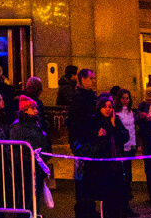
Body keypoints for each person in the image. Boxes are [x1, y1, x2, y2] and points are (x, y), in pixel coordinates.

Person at [80, 95, 130, 218]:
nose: (108, 109)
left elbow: (124, 138)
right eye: (105, 107)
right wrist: (97, 136)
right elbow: (87, 139)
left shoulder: (115, 120)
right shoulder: (94, 121)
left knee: (116, 196)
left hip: (116, 164)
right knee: (104, 195)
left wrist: (114, 126)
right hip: (101, 165)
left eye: (110, 107)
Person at [68, 68, 100, 218]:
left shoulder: (91, 96)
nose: (94, 81)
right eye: (91, 78)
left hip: (89, 143)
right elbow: (79, 123)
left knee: (91, 177)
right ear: (83, 79)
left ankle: (89, 207)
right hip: (82, 143)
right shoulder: (79, 98)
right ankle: (83, 209)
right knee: (82, 178)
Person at [10, 95, 49, 210]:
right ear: (25, 110)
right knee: (25, 198)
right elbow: (16, 147)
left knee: (35, 198)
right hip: (25, 168)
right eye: (33, 108)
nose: (36, 111)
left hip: (36, 166)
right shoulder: (18, 127)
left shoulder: (35, 124)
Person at [114, 89, 139, 217]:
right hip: (121, 148)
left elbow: (132, 130)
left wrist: (134, 145)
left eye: (127, 98)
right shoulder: (116, 113)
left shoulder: (130, 112)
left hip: (130, 147)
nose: (125, 100)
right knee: (122, 177)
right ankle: (122, 206)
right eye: (123, 98)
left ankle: (126, 205)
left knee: (128, 176)